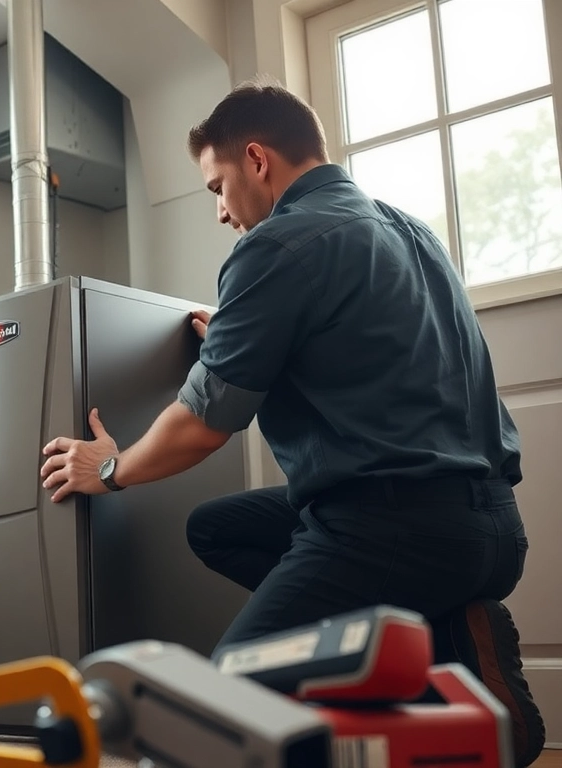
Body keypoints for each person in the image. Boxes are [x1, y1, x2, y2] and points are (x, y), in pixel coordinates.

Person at [37, 78, 545, 767]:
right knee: (214, 528)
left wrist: (112, 468)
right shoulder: (410, 231)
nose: (220, 211)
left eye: (217, 186)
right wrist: (249, 334)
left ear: (255, 159)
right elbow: (373, 351)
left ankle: (424, 642)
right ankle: (445, 623)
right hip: (491, 525)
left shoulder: (277, 246)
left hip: (391, 529)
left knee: (230, 697)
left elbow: (201, 425)